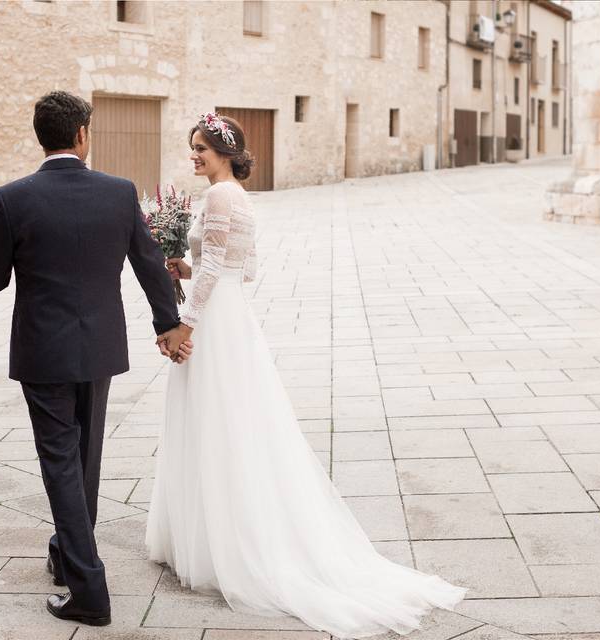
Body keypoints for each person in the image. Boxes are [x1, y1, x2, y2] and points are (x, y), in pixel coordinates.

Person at [145, 112, 468, 638]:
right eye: (193, 148)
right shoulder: (237, 197)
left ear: (225, 152)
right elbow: (243, 269)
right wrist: (185, 263)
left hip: (214, 322)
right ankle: (216, 530)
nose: (194, 156)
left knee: (214, 422)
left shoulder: (221, 197)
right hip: (232, 316)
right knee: (229, 421)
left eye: (201, 148)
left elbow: (218, 271)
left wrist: (184, 322)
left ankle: (220, 541)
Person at [0, 91, 193, 627]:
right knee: (84, 456)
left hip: (43, 351)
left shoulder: (12, 197)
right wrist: (168, 324)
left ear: (42, 136)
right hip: (98, 347)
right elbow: (148, 265)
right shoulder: (119, 193)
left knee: (60, 462)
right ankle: (67, 553)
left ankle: (88, 588)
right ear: (81, 136)